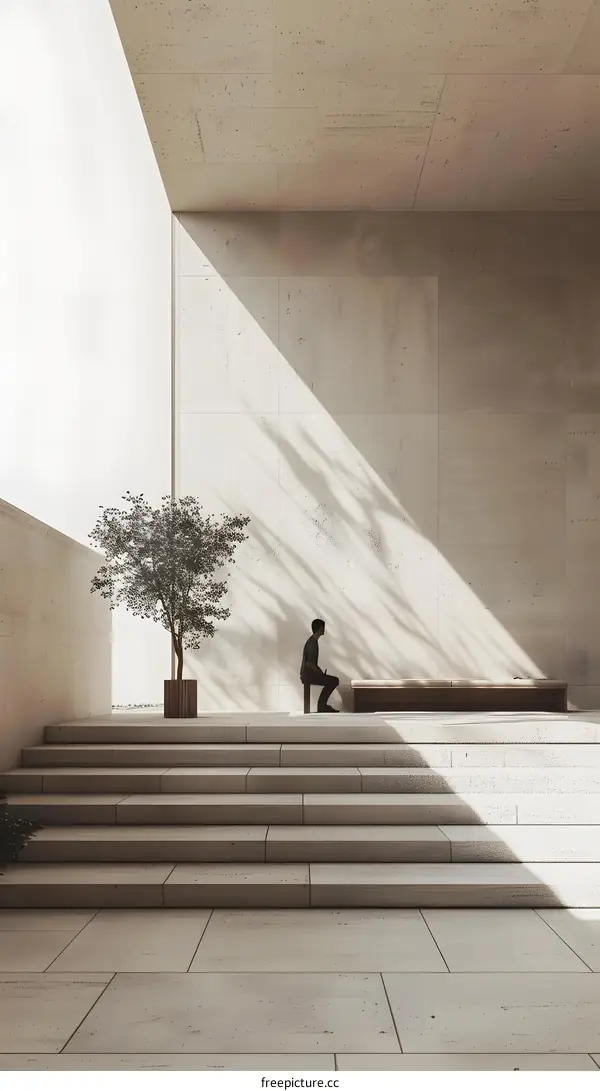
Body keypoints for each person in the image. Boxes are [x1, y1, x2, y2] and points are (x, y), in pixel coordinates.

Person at [300, 618, 340, 713]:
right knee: (334, 681)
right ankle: (322, 705)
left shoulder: (312, 641)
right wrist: (320, 673)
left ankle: (322, 705)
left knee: (332, 680)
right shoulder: (312, 643)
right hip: (308, 675)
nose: (324, 629)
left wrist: (320, 673)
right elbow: (309, 663)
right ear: (320, 628)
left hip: (308, 674)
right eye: (323, 627)